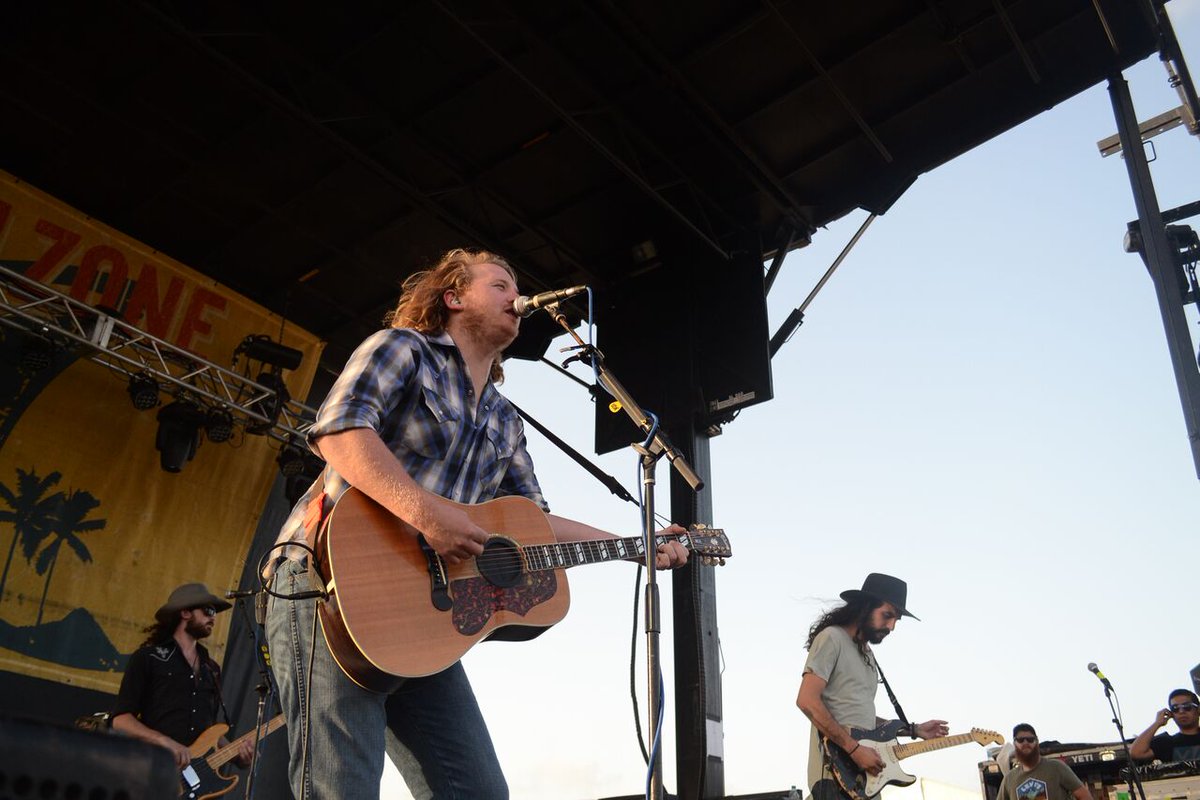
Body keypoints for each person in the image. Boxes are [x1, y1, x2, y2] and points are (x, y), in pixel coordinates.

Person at [264, 248, 689, 800]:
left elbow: (531, 522)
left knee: (480, 791)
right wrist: (424, 512)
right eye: (501, 284)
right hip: (326, 587)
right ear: (454, 297)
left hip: (425, 616)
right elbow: (340, 433)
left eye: (517, 288)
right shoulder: (403, 350)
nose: (517, 296)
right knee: (339, 788)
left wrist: (636, 543)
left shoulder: (504, 418)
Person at [795, 572, 949, 800]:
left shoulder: (868, 656)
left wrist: (913, 730)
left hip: (865, 780)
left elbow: (863, 720)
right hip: (834, 774)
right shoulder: (832, 638)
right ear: (865, 607)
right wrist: (855, 749)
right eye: (887, 615)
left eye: (896, 620)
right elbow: (806, 700)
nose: (892, 626)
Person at [111, 583, 254, 770]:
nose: (213, 618)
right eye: (208, 610)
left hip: (193, 779)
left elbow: (209, 732)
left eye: (215, 612)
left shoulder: (211, 668)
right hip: (151, 768)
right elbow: (120, 720)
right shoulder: (149, 658)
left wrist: (238, 754)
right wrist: (164, 741)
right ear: (185, 613)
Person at [996, 723, 1093, 800]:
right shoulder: (1009, 779)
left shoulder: (1056, 767)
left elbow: (1084, 796)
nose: (1026, 743)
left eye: (1030, 739)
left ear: (1037, 742)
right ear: (1014, 744)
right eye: (1020, 740)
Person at [1130, 688, 1200, 762]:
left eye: (1186, 706)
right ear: (1171, 714)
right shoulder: (1166, 743)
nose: (1181, 711)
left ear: (1198, 709)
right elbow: (1136, 753)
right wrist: (1157, 723)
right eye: (1175, 708)